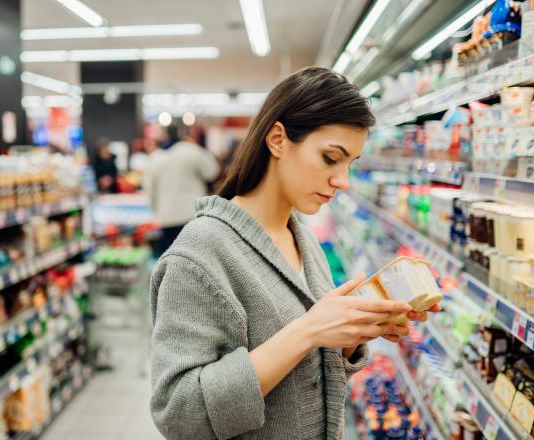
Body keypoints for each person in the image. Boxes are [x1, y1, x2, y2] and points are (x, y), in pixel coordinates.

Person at [149, 67, 440, 440]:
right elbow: (179, 413)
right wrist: (309, 330)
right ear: (277, 140)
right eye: (330, 158)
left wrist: (351, 334)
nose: (343, 180)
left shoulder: (303, 239)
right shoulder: (200, 253)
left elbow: (303, 378)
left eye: (350, 164)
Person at [143, 125, 219, 255]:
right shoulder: (192, 151)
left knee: (170, 260)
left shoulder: (154, 158)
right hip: (193, 214)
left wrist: (157, 210)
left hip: (167, 217)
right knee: (197, 259)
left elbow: (149, 191)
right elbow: (212, 171)